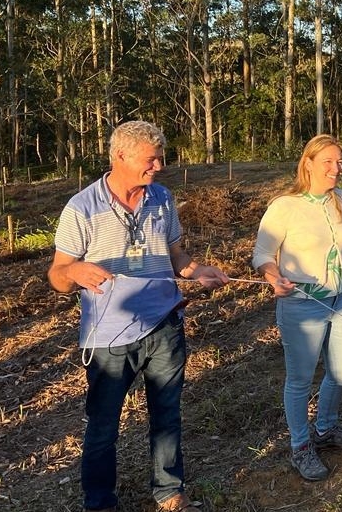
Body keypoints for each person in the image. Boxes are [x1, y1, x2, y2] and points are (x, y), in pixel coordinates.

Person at [47, 120, 229, 512]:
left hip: (165, 327)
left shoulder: (163, 199)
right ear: (120, 156)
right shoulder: (82, 208)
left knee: (167, 415)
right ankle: (99, 502)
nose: (159, 167)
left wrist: (198, 272)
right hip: (109, 339)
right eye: (151, 159)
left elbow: (176, 256)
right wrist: (75, 272)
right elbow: (57, 275)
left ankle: (169, 492)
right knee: (103, 426)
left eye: (161, 158)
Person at [252, 134, 342, 481]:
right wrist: (273, 275)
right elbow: (261, 254)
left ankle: (325, 428)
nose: (337, 168)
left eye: (340, 162)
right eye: (328, 162)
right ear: (308, 163)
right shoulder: (285, 206)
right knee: (300, 380)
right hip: (301, 305)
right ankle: (301, 447)